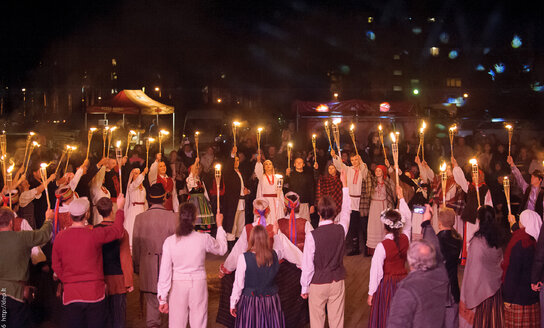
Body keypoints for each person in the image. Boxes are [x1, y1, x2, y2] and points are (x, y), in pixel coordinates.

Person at [52, 195, 126, 328]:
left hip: (71, 294)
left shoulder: (60, 237)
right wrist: (120, 208)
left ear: (69, 215)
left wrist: (67, 280)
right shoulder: (94, 234)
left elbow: (56, 265)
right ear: (87, 214)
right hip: (94, 293)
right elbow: (117, 230)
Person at [157, 203, 227, 328]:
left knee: (176, 324)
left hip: (178, 285)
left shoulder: (170, 241)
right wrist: (220, 226)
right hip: (198, 284)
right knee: (199, 322)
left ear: (179, 218)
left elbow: (165, 272)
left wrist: (163, 297)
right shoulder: (203, 238)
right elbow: (221, 249)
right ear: (195, 218)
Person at [300, 171, 350, 328]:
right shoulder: (341, 229)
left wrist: (304, 287)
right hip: (337, 281)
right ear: (335, 212)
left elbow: (308, 264)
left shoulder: (312, 236)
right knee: (337, 321)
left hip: (318, 283)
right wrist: (345, 185)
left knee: (317, 322)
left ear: (319, 213)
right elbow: (347, 211)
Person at [387, 206, 450, 328]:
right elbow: (436, 249)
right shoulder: (441, 276)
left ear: (410, 263)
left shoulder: (407, 290)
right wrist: (426, 223)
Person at [132, 183, 177, 328]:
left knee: (152, 310)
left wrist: (138, 267)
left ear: (148, 199)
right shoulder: (172, 217)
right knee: (171, 309)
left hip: (148, 268)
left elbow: (136, 247)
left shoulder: (140, 218)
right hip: (169, 269)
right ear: (164, 198)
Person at [0, 207, 53, 328]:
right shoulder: (22, 237)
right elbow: (44, 235)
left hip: (2, 293)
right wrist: (48, 219)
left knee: (3, 324)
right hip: (15, 293)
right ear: (11, 223)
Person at [367, 185, 412, 328]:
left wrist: (371, 293)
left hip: (388, 285)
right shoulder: (406, 238)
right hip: (404, 282)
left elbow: (376, 272)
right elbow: (408, 222)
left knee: (387, 314)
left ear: (385, 226)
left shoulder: (382, 246)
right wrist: (402, 199)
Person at [459, 205, 508, 327]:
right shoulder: (497, 240)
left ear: (479, 220)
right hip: (495, 291)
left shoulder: (477, 243)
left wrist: (468, 296)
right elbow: (500, 263)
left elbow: (473, 272)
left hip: (481, 295)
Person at [230, 224, 286, 327]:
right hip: (271, 301)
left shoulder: (243, 258)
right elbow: (282, 250)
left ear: (251, 239)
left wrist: (233, 303)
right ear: (266, 239)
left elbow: (238, 284)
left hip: (250, 302)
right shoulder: (275, 254)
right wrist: (276, 233)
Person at [94, 197, 134, 328]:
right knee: (118, 319)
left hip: (100, 279)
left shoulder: (94, 231)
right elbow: (125, 258)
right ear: (112, 210)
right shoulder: (122, 232)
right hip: (118, 280)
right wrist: (129, 281)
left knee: (103, 318)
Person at [276, 192, 313, 327]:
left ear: (285, 207)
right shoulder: (305, 223)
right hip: (302, 267)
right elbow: (312, 245)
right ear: (298, 207)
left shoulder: (279, 223)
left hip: (284, 268)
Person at [452, 156, 493, 265]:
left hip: (480, 219)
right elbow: (460, 179)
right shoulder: (469, 187)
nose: (474, 176)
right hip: (470, 218)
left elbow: (489, 205)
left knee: (479, 238)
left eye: (477, 175)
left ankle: (479, 258)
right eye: (473, 174)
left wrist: (483, 210)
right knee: (469, 238)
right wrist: (456, 166)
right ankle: (470, 259)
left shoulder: (485, 189)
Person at [502, 209, 540, 328]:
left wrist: (507, 297)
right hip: (533, 298)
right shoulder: (536, 241)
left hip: (517, 298)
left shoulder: (520, 242)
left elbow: (513, 272)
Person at [332, 150, 367, 256]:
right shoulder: (348, 169)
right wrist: (335, 156)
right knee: (352, 225)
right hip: (351, 201)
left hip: (360, 201)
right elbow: (339, 166)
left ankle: (365, 247)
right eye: (352, 160)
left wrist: (361, 162)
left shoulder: (362, 169)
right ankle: (354, 246)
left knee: (362, 225)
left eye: (356, 159)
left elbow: (365, 172)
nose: (354, 162)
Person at [436, 208, 463, 327]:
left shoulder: (436, 240)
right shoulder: (458, 239)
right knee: (452, 320)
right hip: (453, 284)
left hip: (438, 286)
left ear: (439, 223)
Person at [220, 146, 250, 249]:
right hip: (233, 202)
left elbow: (245, 186)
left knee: (240, 225)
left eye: (237, 160)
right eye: (234, 160)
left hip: (242, 202)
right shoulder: (229, 172)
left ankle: (238, 246)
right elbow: (228, 165)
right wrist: (232, 155)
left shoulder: (240, 173)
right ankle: (230, 247)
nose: (236, 162)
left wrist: (248, 191)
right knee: (232, 225)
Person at [364, 163, 396, 255]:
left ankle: (385, 246)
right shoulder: (372, 181)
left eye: (379, 170)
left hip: (383, 205)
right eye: (376, 170)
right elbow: (366, 176)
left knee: (382, 226)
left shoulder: (387, 181)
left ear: (383, 172)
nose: (377, 172)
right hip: (374, 206)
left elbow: (392, 189)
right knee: (374, 225)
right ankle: (374, 248)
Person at [186, 157, 214, 230]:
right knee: (196, 218)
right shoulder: (189, 179)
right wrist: (195, 162)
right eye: (195, 168)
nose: (197, 170)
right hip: (195, 202)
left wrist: (208, 202)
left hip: (202, 202)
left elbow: (205, 193)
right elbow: (191, 175)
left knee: (204, 220)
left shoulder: (200, 180)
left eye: (197, 168)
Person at [254, 154, 284, 223]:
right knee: (267, 220)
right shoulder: (262, 177)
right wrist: (258, 162)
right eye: (266, 164)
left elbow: (280, 191)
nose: (268, 165)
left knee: (276, 220)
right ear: (263, 167)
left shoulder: (277, 178)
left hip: (276, 201)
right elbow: (258, 171)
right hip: (265, 201)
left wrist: (282, 203)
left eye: (270, 164)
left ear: (272, 166)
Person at [124, 167, 148, 250]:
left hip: (142, 210)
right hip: (134, 211)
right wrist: (144, 173)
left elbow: (145, 201)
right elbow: (136, 183)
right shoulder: (131, 186)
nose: (138, 175)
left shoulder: (143, 188)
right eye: (136, 173)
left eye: (139, 173)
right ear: (132, 175)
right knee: (133, 228)